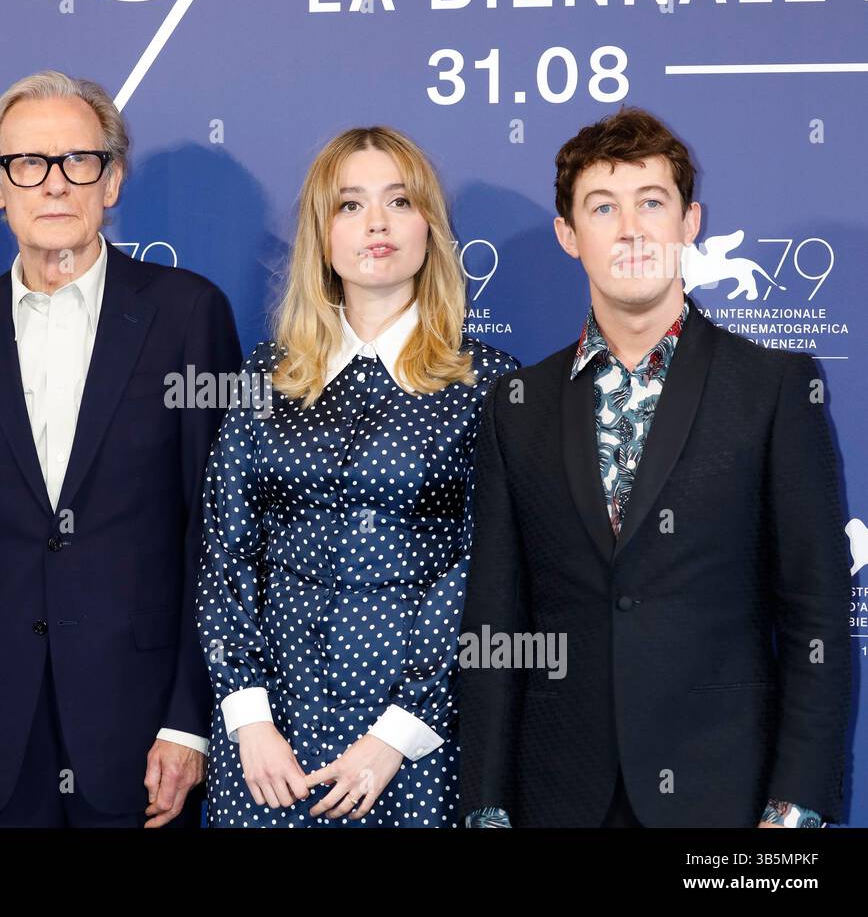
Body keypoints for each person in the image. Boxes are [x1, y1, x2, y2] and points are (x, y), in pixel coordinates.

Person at [459, 106, 852, 828]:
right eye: (603, 207)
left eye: (652, 203)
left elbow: (815, 615)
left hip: (726, 797)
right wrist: (486, 805)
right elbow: (496, 617)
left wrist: (795, 806)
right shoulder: (516, 404)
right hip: (557, 796)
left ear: (689, 222)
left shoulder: (773, 388)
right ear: (568, 235)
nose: (632, 229)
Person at [0, 70, 242, 828]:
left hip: (144, 732)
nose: (53, 185)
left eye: (78, 161)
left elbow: (217, 538)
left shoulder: (188, 316)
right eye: (28, 164)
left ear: (111, 179)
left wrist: (189, 720)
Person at [196, 126, 517, 827]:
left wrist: (396, 735)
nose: (376, 223)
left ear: (429, 226)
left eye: (399, 202)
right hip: (268, 745)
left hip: (417, 743)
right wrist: (248, 718)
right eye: (349, 205)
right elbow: (226, 549)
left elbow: (486, 566)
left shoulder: (489, 384)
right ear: (322, 235)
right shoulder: (266, 375)